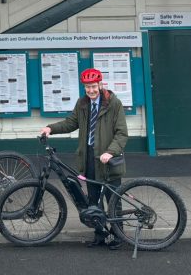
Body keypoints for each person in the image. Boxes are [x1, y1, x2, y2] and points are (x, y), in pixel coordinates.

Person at [41, 67, 128, 249]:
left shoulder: (113, 103)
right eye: (87, 87)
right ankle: (100, 234)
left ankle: (119, 235)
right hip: (89, 156)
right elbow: (71, 123)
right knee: (93, 198)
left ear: (100, 84)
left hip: (108, 158)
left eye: (94, 86)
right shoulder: (83, 104)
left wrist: (110, 152)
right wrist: (50, 128)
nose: (91, 91)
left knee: (113, 198)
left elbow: (121, 133)